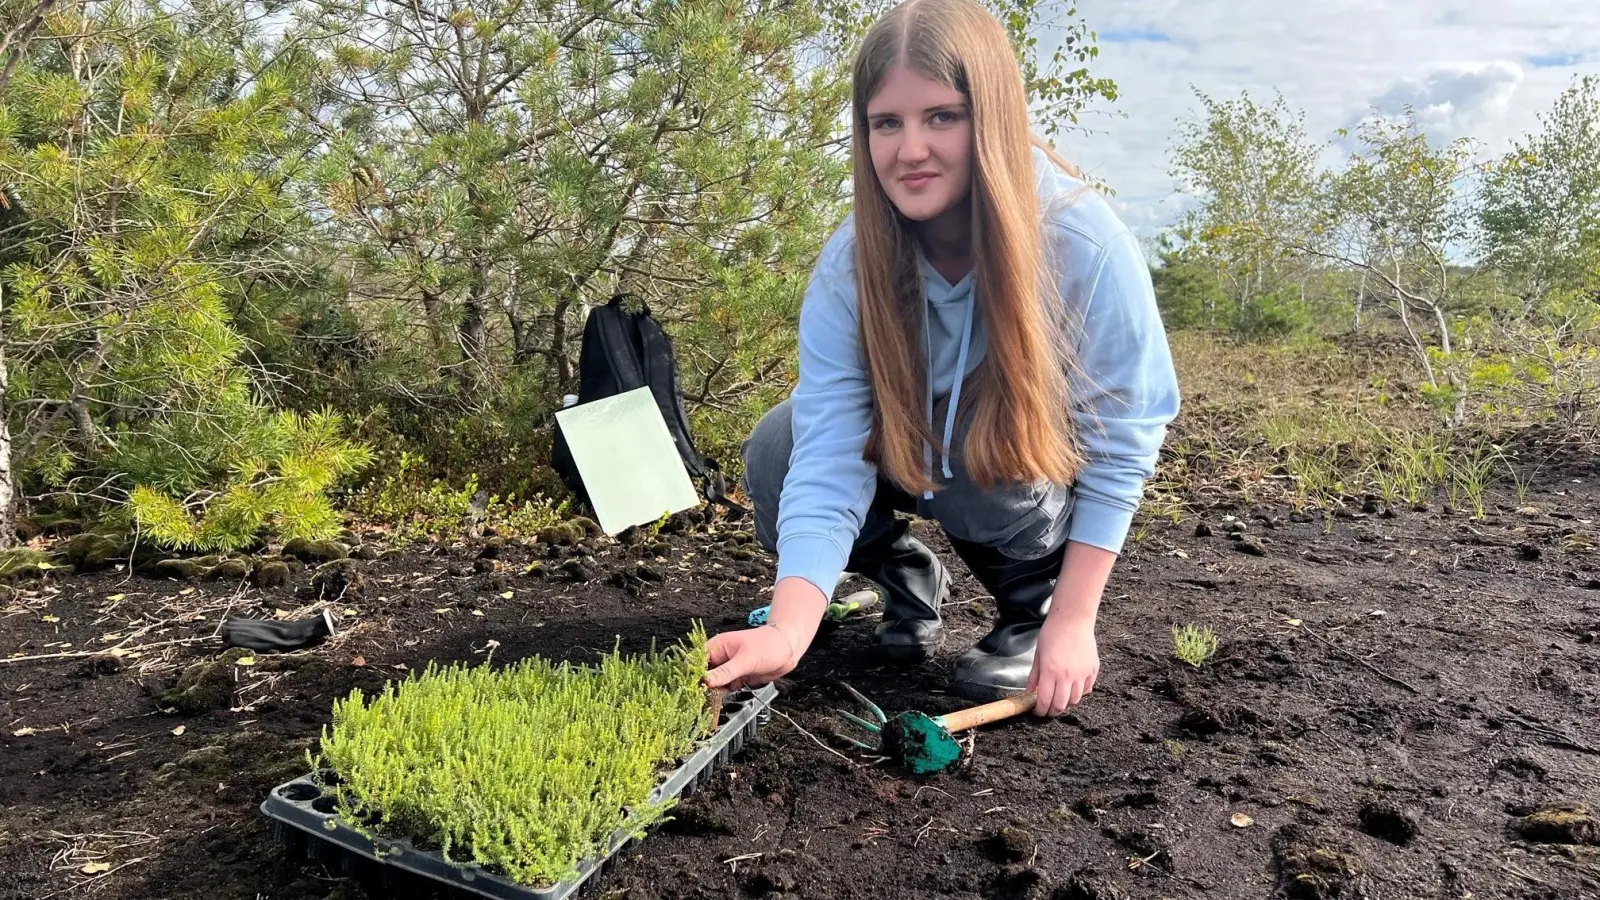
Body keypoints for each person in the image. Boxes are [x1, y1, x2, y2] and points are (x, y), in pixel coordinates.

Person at [703, 0, 1180, 718]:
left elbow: (1124, 440)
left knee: (969, 437)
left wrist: (1073, 624)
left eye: (942, 116)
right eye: (885, 123)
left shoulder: (1082, 243)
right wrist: (788, 630)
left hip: (1017, 470)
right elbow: (831, 446)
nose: (910, 149)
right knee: (781, 439)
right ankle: (899, 575)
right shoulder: (850, 264)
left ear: (990, 116)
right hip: (913, 451)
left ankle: (1030, 609)